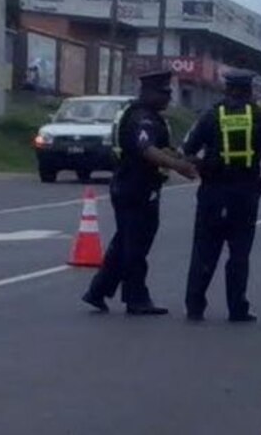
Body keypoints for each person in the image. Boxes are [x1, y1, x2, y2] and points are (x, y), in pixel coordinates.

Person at [81, 71, 198, 316]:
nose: (167, 98)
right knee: (136, 246)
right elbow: (147, 150)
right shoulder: (142, 118)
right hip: (135, 188)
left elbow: (161, 148)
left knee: (124, 242)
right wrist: (179, 167)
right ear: (148, 93)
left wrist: (181, 157)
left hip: (135, 186)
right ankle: (136, 298)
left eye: (169, 93)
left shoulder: (150, 116)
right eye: (163, 93)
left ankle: (98, 291)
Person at [182, 70, 261, 323]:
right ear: (248, 91)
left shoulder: (211, 115)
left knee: (204, 249)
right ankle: (237, 308)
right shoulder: (259, 116)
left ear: (227, 90)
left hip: (213, 192)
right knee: (239, 253)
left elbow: (188, 149)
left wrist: (203, 165)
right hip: (245, 193)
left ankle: (195, 306)